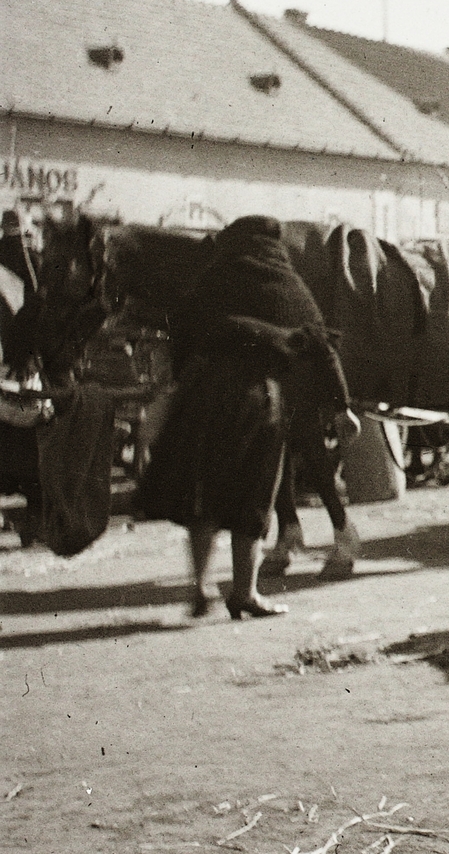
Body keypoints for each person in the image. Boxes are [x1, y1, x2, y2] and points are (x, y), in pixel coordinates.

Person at [138, 216, 359, 619]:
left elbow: (180, 336)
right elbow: (321, 346)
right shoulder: (287, 284)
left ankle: (201, 586)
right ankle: (244, 593)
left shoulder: (212, 279)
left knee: (203, 495)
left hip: (204, 397)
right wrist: (342, 405)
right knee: (253, 497)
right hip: (259, 399)